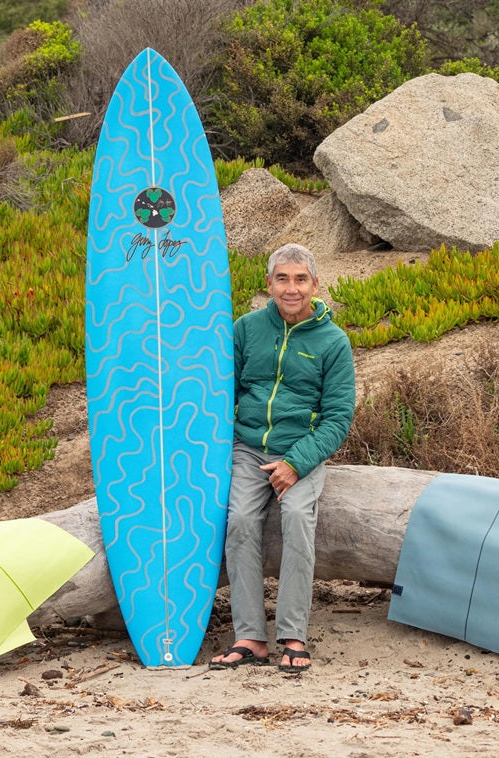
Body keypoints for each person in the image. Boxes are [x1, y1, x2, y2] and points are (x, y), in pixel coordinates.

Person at [210, 243, 356, 673]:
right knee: (238, 521)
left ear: (315, 284)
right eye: (282, 279)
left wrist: (296, 463)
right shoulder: (246, 328)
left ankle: (293, 635)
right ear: (269, 283)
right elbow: (223, 394)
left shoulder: (334, 341)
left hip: (301, 450)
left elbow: (338, 418)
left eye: (300, 279)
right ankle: (250, 637)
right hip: (248, 447)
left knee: (295, 517)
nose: (291, 289)